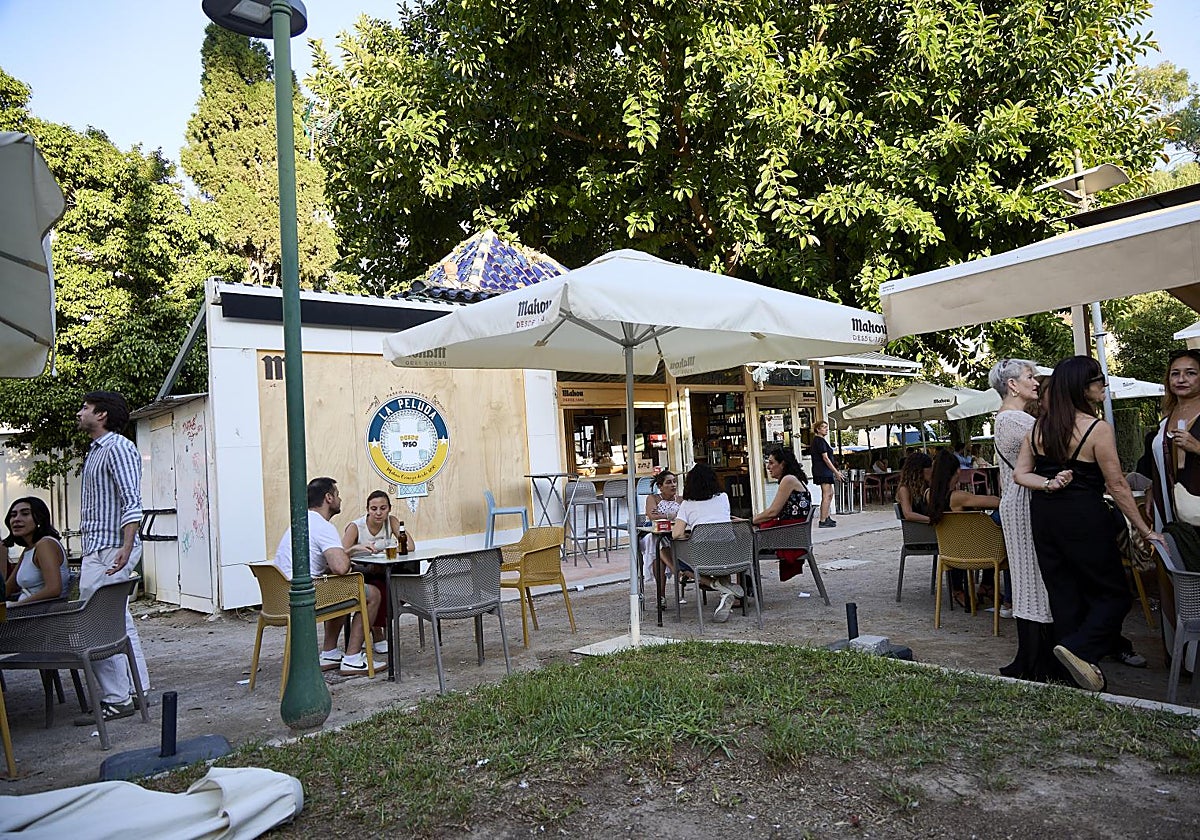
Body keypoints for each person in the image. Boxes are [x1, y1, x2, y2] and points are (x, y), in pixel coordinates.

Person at [1014, 356, 1163, 692]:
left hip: (1046, 517)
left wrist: (1049, 484)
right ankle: (1078, 650)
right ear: (1082, 387)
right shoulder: (1097, 429)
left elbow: (1020, 474)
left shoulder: (1039, 428)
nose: (1104, 385)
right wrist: (1145, 529)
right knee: (1114, 595)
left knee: (1064, 594)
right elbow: (1118, 486)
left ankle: (1073, 678)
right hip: (1084, 516)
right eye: (1098, 380)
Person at [73, 391, 151, 725]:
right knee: (118, 619)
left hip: (110, 547)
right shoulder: (96, 451)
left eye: (85, 408)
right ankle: (137, 689)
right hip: (102, 545)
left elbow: (132, 499)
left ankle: (117, 698)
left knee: (93, 620)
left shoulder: (117, 447)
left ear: (102, 415)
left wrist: (125, 545)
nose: (80, 413)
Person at [990, 358, 1058, 680]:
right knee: (1031, 578)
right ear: (1012, 385)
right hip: (1024, 504)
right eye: (1030, 376)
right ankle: (1036, 659)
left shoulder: (1011, 419)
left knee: (1030, 578)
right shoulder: (1013, 420)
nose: (1036, 381)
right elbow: (1055, 448)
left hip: (1021, 503)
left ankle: (1035, 655)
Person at [275, 477, 383, 676]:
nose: (340, 499)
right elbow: (341, 568)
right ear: (328, 498)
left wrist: (349, 550)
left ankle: (330, 653)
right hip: (305, 598)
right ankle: (352, 659)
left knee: (342, 589)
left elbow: (330, 565)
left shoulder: (300, 522)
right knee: (372, 594)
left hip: (281, 598)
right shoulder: (323, 526)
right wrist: (350, 553)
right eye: (337, 495)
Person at [1146, 349, 1200, 670]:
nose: (1181, 379)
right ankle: (1180, 658)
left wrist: (1197, 448)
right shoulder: (1164, 420)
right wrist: (1152, 493)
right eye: (1176, 373)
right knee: (1174, 583)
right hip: (1167, 515)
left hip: (1197, 516)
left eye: (1191, 372)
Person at [342, 490, 416, 655]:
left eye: (383, 508)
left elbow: (410, 546)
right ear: (367, 509)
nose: (378, 512)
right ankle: (377, 633)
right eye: (374, 508)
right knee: (378, 584)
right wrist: (357, 548)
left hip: (382, 569)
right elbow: (341, 553)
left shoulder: (391, 521)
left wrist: (388, 551)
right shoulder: (356, 527)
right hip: (359, 571)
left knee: (393, 581)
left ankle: (376, 629)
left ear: (389, 508)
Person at [665, 463, 742, 623]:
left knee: (668, 553)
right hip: (730, 557)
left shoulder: (687, 504)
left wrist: (690, 535)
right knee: (719, 543)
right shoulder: (723, 497)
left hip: (701, 560)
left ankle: (717, 586)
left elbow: (676, 534)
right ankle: (724, 590)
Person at [927, 449, 1001, 608]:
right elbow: (996, 502)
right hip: (976, 551)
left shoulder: (929, 495)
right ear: (957, 471)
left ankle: (961, 589)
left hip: (949, 551)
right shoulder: (959, 497)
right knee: (998, 523)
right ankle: (988, 585)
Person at [752, 448, 812, 582]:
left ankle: (747, 587)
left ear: (783, 464)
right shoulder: (792, 479)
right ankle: (748, 586)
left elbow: (773, 512)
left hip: (789, 539)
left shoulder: (788, 480)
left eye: (772, 463)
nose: (768, 467)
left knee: (745, 542)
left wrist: (750, 521)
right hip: (793, 535)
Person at [3, 497, 69, 604]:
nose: (16, 519)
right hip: (27, 615)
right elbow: (7, 589)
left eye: (25, 514)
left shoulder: (45, 544)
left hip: (44, 616)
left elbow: (54, 590)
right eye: (13, 515)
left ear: (40, 518)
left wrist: (16, 606)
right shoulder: (29, 549)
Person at [640, 471, 680, 589]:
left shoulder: (681, 499)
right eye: (668, 482)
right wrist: (672, 515)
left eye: (674, 481)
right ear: (660, 486)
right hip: (653, 533)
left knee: (658, 554)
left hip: (673, 534)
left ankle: (661, 596)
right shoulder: (652, 498)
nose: (673, 485)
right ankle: (675, 569)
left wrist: (663, 514)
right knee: (655, 539)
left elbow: (686, 516)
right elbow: (653, 517)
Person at [809, 421, 842, 528]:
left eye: (826, 427)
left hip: (824, 470)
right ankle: (822, 520)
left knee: (830, 493)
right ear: (818, 429)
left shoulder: (821, 441)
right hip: (822, 470)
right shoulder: (819, 441)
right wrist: (836, 472)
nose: (826, 429)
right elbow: (825, 458)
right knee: (826, 494)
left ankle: (826, 516)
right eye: (823, 427)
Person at [895, 451, 932, 524]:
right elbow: (908, 514)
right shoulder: (905, 489)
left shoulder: (926, 486)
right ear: (919, 470)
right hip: (920, 527)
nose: (932, 470)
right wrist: (931, 520)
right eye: (930, 467)